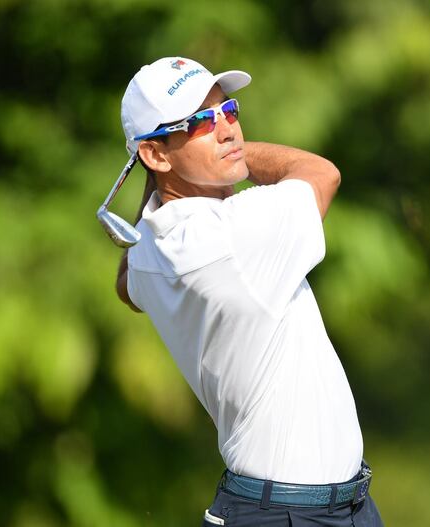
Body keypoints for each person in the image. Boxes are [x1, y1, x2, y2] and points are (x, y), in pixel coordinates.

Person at [113, 56, 383, 526]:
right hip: (287, 515)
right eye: (200, 121)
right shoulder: (233, 236)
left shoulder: (149, 251)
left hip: (329, 506)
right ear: (155, 154)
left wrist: (173, 174)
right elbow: (322, 174)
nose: (227, 130)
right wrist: (240, 155)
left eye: (229, 111)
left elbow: (126, 286)